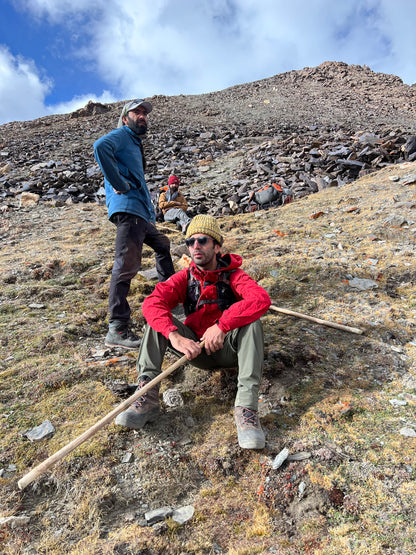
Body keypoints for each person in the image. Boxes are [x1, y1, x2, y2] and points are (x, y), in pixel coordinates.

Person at [115, 215, 271, 449]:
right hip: (193, 351)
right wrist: (175, 336)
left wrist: (222, 326)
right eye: (190, 242)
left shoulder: (235, 275)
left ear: (217, 246)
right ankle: (147, 396)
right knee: (157, 323)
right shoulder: (184, 278)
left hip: (229, 350)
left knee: (253, 324)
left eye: (202, 240)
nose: (195, 246)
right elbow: (152, 303)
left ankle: (246, 410)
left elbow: (260, 299)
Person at [94, 99, 175, 350]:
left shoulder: (133, 141)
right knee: (127, 265)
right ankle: (117, 328)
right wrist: (118, 183)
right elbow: (99, 147)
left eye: (144, 113)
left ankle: (172, 297)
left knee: (163, 244)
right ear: (124, 118)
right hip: (128, 211)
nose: (142, 116)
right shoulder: (120, 135)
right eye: (136, 112)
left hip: (140, 213)